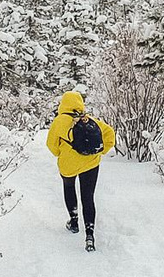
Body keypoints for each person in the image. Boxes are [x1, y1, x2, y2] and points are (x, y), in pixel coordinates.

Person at [45, 90, 115, 250]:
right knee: (88, 196)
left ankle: (74, 221)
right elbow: (109, 133)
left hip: (68, 165)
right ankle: (89, 234)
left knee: (69, 188)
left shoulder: (59, 122)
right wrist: (101, 151)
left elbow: (51, 145)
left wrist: (61, 153)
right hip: (91, 164)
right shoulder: (89, 120)